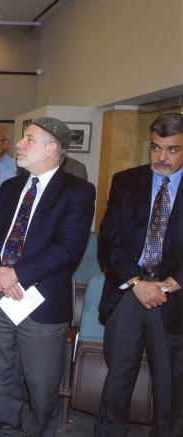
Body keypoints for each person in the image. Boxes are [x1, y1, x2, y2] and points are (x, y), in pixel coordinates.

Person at [0, 117, 95, 436]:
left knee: (42, 382)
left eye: (28, 139)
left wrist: (17, 273)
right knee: (0, 372)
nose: (19, 144)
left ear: (52, 148)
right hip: (0, 294)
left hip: (41, 300)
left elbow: (69, 247)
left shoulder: (78, 191)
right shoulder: (10, 186)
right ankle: (5, 428)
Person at [96, 112, 183, 437]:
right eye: (156, 148)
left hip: (174, 300)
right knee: (117, 382)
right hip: (128, 295)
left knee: (171, 390)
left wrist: (179, 279)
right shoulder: (126, 180)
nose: (162, 157)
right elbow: (110, 238)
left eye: (173, 150)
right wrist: (135, 281)